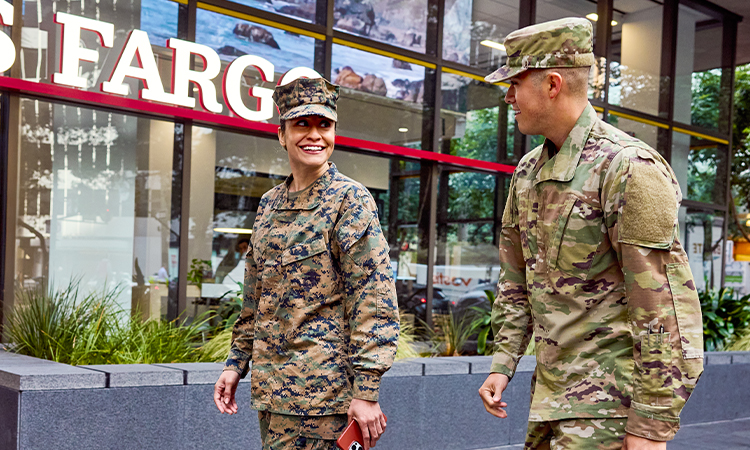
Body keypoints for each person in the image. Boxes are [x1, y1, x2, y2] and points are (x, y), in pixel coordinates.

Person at [478, 17, 704, 450]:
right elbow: (516, 282)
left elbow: (664, 308)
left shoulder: (629, 167)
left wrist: (652, 426)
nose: (508, 96)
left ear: (552, 84)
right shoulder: (528, 172)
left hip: (610, 412)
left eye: (515, 83)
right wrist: (502, 363)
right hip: (549, 403)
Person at [213, 77, 399, 450]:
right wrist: (236, 364)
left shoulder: (350, 200)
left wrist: (366, 391)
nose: (314, 135)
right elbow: (255, 298)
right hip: (273, 397)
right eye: (302, 124)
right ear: (281, 135)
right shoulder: (269, 204)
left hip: (324, 403)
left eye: (324, 125)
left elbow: (373, 300)